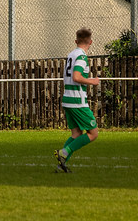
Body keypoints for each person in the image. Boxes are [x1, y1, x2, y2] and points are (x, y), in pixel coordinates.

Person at [54, 27, 101, 172]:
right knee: (93, 133)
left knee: (76, 134)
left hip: (67, 98)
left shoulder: (71, 54)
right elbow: (77, 77)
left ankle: (61, 165)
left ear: (76, 41)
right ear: (90, 42)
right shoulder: (81, 56)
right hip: (77, 101)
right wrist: (92, 81)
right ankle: (64, 152)